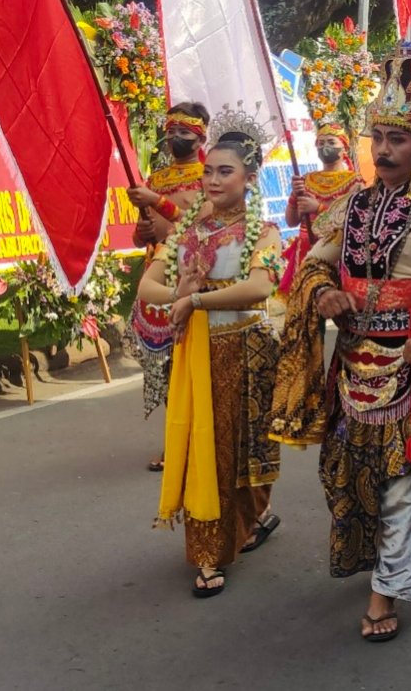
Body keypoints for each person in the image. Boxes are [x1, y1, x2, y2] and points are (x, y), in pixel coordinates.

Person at [269, 27, 411, 641]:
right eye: (379, 138)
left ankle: (385, 595)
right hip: (353, 367)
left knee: (403, 486)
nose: (385, 149)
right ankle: (382, 570)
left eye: (397, 138)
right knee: (350, 476)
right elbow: (316, 259)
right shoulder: (353, 205)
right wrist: (323, 292)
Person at [138, 115, 283, 598]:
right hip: (200, 356)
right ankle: (209, 553)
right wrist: (177, 291)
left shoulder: (264, 232)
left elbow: (261, 288)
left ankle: (250, 520)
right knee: (210, 454)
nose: (214, 180)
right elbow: (146, 287)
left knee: (251, 452)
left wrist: (195, 300)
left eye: (225, 172)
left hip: (251, 353)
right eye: (209, 172)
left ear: (249, 178)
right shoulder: (187, 233)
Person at [124, 102, 209, 467]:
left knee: (194, 366)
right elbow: (141, 236)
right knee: (166, 368)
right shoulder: (155, 179)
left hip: (195, 279)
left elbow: (203, 226)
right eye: (171, 131)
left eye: (183, 132)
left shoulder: (212, 177)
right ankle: (177, 442)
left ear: (200, 136)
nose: (175, 138)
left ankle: (201, 439)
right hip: (159, 281)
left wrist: (157, 203)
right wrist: (141, 231)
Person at [280, 122, 362, 293]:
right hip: (305, 249)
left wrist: (318, 208)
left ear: (344, 147)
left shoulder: (355, 182)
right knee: (305, 306)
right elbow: (291, 221)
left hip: (336, 250)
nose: (325, 147)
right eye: (321, 143)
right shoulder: (306, 180)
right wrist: (295, 196)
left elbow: (354, 220)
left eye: (331, 142)